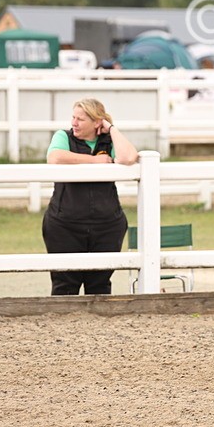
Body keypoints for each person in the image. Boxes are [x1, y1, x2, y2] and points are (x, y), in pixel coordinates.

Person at [43, 98, 139, 295]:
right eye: (73, 117)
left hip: (107, 224)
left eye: (81, 119)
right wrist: (96, 161)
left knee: (100, 284)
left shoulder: (109, 141)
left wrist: (111, 128)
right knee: (64, 284)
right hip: (65, 224)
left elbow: (128, 157)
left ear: (97, 122)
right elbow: (55, 157)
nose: (74, 123)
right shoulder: (64, 137)